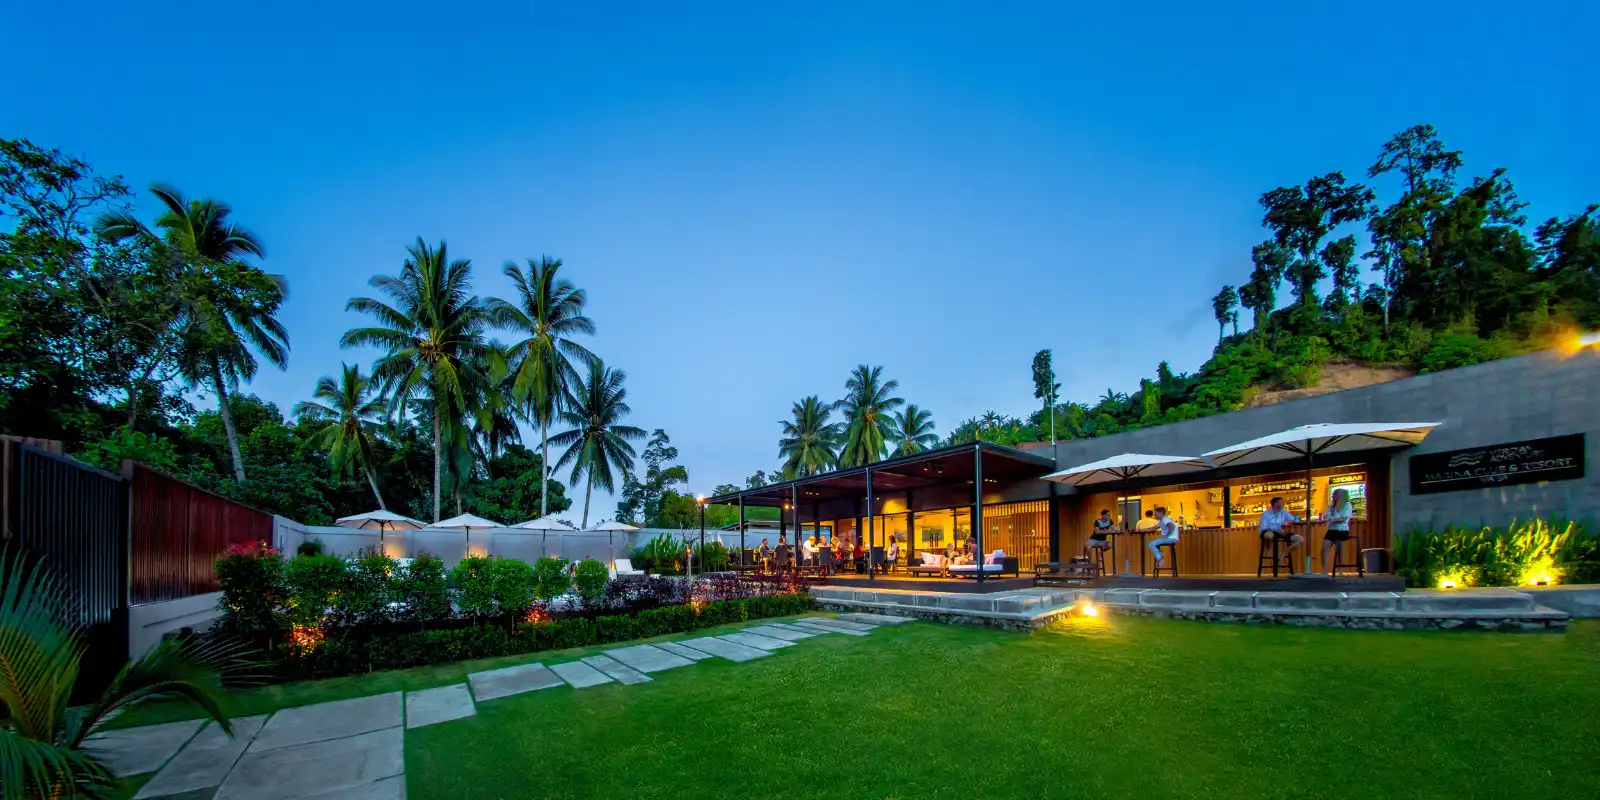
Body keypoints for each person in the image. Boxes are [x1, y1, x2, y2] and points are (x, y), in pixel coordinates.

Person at [1258, 496, 1304, 567]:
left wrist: (1299, 518)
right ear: (1275, 504)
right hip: (1267, 532)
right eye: (1281, 502)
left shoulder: (1284, 512)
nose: (1283, 503)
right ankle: (1268, 551)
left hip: (1279, 532)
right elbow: (1264, 528)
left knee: (1300, 539)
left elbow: (1293, 519)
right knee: (1269, 534)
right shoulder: (1266, 514)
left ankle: (1283, 555)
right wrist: (1277, 531)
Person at [1320, 488, 1354, 575]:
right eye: (1333, 494)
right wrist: (1327, 518)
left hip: (1342, 530)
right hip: (1331, 530)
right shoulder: (1330, 507)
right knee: (1324, 548)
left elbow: (1343, 518)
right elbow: (1325, 516)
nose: (1333, 496)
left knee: (1340, 550)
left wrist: (1331, 520)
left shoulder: (1347, 505)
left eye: (1335, 494)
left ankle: (1340, 570)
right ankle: (1324, 570)